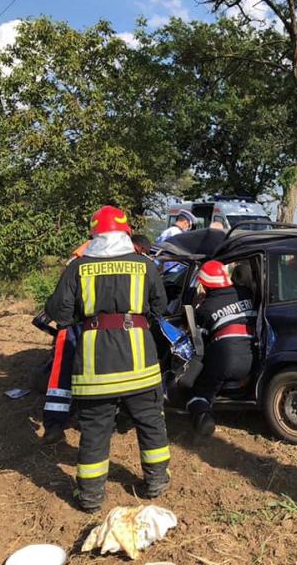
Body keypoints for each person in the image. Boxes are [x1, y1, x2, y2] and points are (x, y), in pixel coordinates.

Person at [45, 205, 170, 512]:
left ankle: (89, 498)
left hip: (94, 366)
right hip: (140, 362)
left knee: (95, 430)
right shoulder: (144, 265)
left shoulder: (78, 267)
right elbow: (160, 307)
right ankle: (155, 483)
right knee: (150, 422)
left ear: (94, 235)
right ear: (127, 233)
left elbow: (58, 312)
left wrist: (85, 317)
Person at [186, 260, 257, 437]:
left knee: (199, 390)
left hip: (225, 359)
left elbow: (199, 341)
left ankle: (203, 419)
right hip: (254, 358)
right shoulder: (245, 293)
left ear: (205, 285)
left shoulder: (205, 308)